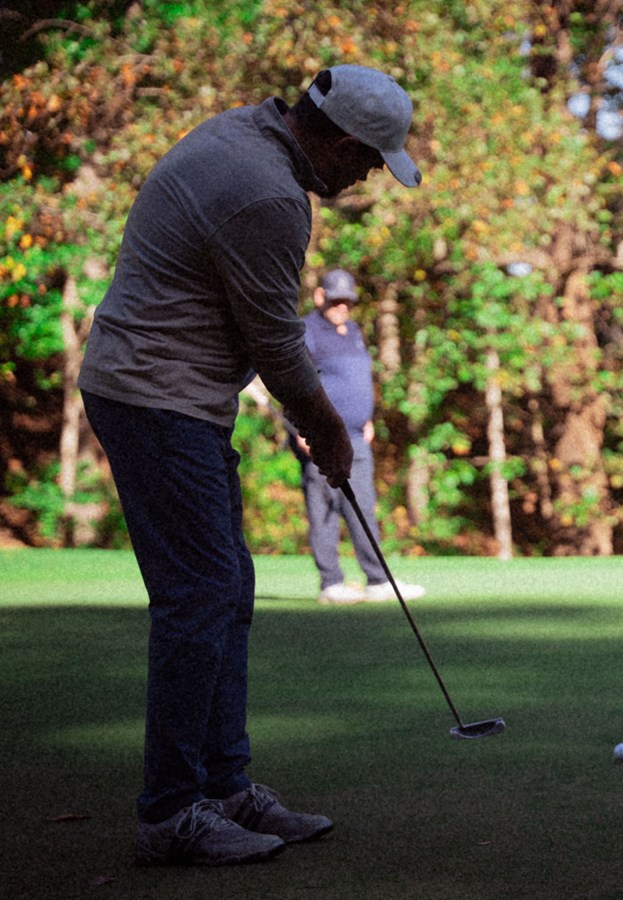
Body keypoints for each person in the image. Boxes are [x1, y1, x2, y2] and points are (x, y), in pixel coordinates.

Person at [78, 65, 422, 866]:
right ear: (339, 143)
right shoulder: (268, 195)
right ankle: (171, 813)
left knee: (224, 588)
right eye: (370, 160)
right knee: (200, 595)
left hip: (167, 396)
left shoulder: (242, 133)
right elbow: (275, 345)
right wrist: (330, 434)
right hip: (156, 398)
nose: (369, 175)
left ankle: (225, 788)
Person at [288, 268, 425, 604]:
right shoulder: (307, 332)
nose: (342, 306)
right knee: (324, 509)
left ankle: (378, 580)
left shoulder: (352, 332)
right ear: (320, 297)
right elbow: (292, 385)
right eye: (336, 300)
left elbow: (357, 378)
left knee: (363, 506)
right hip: (320, 436)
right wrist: (298, 430)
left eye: (347, 300)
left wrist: (367, 417)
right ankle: (331, 583)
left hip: (357, 436)